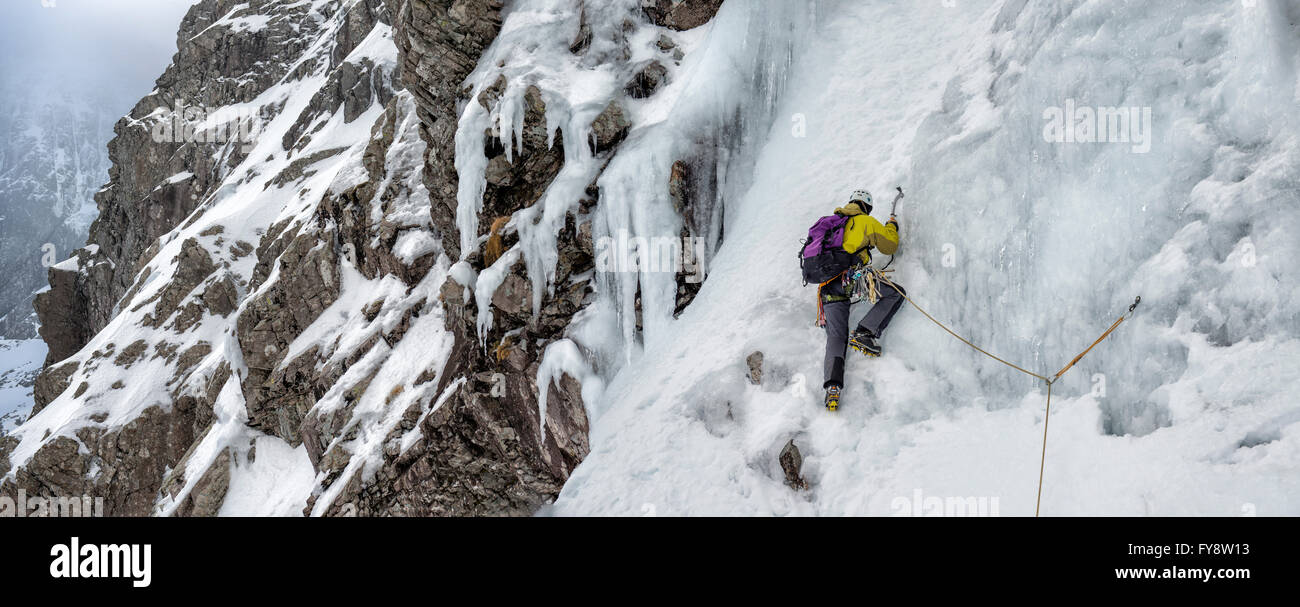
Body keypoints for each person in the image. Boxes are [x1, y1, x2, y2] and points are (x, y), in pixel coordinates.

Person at [820, 189, 904, 411]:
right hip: (852, 278)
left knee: (836, 337)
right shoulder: (866, 221)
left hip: (827, 286)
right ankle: (864, 332)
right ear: (867, 207)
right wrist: (891, 226)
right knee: (895, 292)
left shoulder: (831, 224)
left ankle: (833, 388)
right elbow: (889, 246)